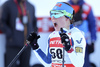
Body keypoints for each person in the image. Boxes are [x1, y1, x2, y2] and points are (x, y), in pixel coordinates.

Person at [27, 2, 86, 67]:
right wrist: (35, 48)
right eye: (51, 14)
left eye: (57, 14)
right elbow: (48, 63)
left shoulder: (76, 34)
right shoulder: (52, 36)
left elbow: (79, 64)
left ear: (67, 18)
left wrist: (69, 49)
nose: (53, 18)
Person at [0, 0, 37, 67]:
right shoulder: (7, 5)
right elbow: (1, 22)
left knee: (25, 65)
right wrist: (10, 34)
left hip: (27, 45)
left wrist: (33, 35)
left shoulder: (30, 6)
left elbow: (34, 23)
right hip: (13, 44)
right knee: (10, 65)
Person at [68, 0, 97, 67]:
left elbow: (92, 25)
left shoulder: (87, 7)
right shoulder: (65, 7)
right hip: (69, 42)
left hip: (84, 42)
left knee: (84, 63)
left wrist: (93, 41)